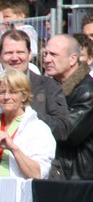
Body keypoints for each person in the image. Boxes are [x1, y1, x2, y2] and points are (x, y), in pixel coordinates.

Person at [0, 30, 69, 142]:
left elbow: (62, 129)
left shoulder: (49, 86)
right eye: (8, 53)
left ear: (30, 55)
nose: (14, 58)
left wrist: (24, 114)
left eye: (20, 52)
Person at [0, 69, 55, 179]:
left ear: (24, 96)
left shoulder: (37, 128)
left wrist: (13, 148)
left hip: (17, 189)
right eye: (1, 92)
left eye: (13, 92)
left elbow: (37, 175)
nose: (6, 97)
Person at [42, 33, 93, 180]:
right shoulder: (48, 89)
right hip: (55, 175)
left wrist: (31, 115)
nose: (47, 59)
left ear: (73, 59)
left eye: (53, 55)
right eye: (45, 54)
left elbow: (67, 133)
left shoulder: (88, 91)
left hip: (79, 179)